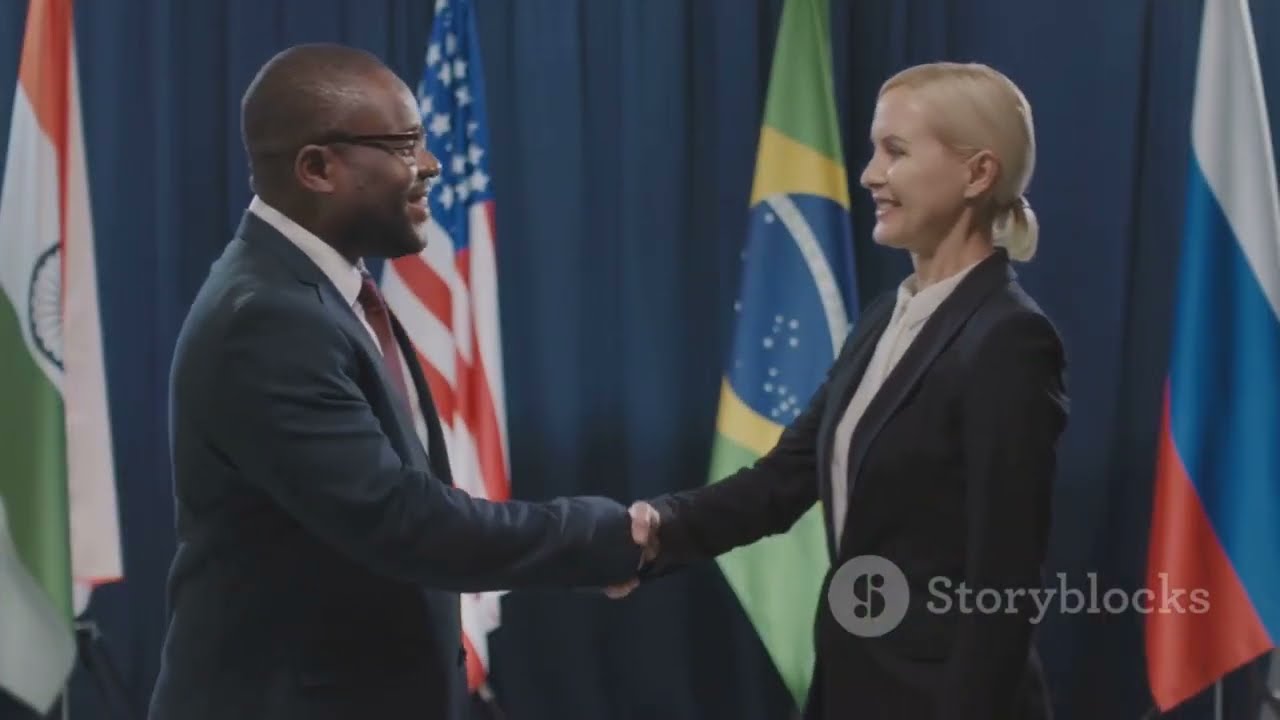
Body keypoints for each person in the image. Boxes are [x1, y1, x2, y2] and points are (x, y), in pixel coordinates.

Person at [149, 44, 651, 720]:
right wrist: (604, 536)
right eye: (405, 145)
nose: (431, 164)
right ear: (318, 168)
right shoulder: (266, 319)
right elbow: (403, 521)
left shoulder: (323, 291)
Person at [615, 62, 1069, 719]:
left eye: (896, 151)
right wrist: (661, 527)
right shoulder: (885, 319)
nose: (870, 175)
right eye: (873, 150)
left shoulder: (1009, 339)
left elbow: (1003, 586)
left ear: (978, 174)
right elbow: (783, 481)